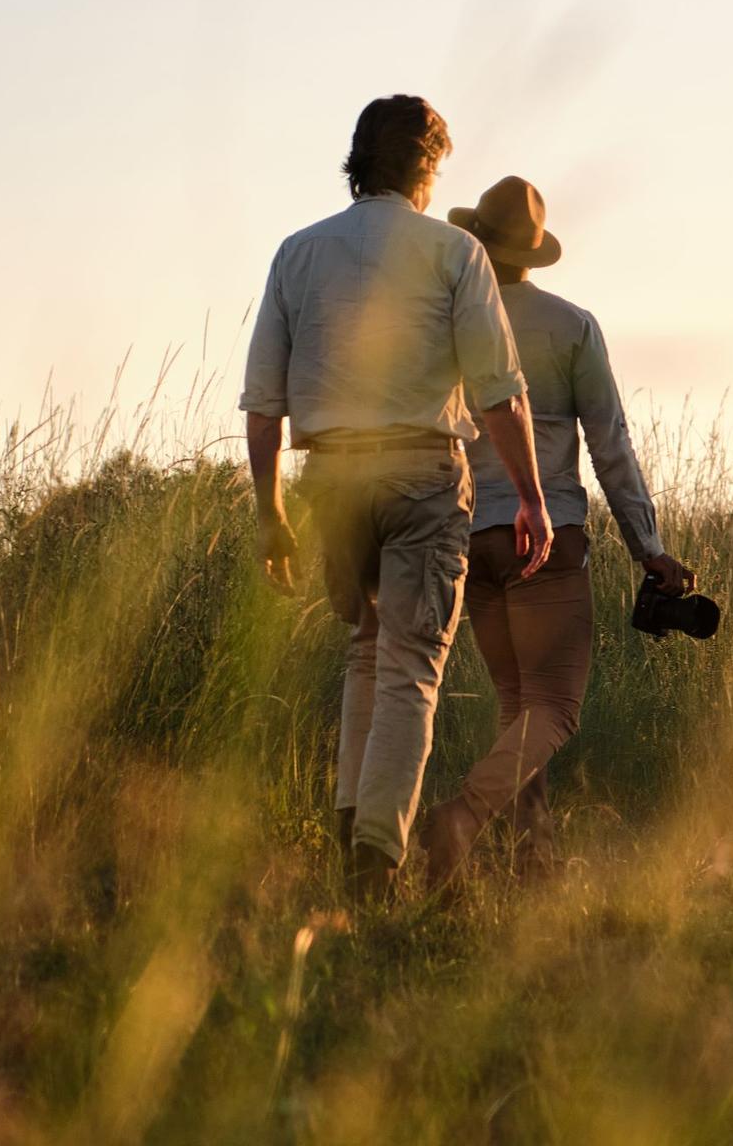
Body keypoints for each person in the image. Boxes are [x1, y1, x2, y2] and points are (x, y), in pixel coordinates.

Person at [240, 95, 553, 903]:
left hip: (332, 478)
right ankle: (376, 861)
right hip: (420, 473)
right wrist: (530, 498)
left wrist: (270, 512)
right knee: (410, 667)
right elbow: (498, 394)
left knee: (365, 650)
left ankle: (352, 827)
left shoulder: (297, 253)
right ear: (426, 168)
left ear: (357, 160)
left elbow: (263, 404)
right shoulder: (453, 251)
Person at [416, 176, 695, 892]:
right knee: (557, 709)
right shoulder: (570, 325)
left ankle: (531, 863)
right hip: (546, 534)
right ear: (533, 253)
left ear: (477, 239)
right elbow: (610, 445)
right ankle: (463, 819)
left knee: (519, 707)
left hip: (466, 535)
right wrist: (648, 546)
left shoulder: (451, 320)